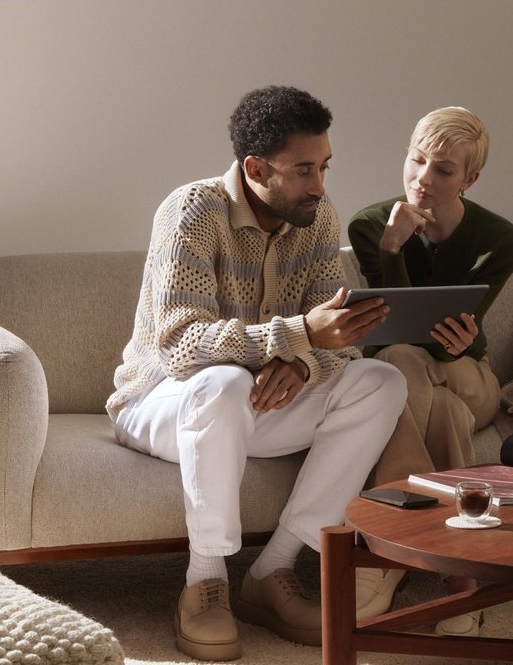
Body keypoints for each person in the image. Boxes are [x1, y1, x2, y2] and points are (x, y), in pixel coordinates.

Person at [107, 85, 407, 661]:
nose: (319, 185)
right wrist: (299, 336)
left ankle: (272, 571)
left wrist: (303, 360)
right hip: (161, 402)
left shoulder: (317, 219)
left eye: (324, 166)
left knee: (382, 382)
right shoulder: (193, 211)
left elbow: (339, 339)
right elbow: (183, 347)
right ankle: (204, 581)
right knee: (223, 381)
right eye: (303, 170)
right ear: (255, 168)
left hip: (252, 406)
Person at [346, 106, 513, 637]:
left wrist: (453, 342)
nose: (423, 178)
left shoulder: (500, 239)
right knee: (418, 383)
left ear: (470, 179)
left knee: (404, 363)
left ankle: (390, 548)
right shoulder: (371, 226)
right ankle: (460, 573)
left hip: (469, 375)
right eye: (416, 160)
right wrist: (392, 248)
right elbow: (392, 327)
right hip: (416, 380)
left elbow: (449, 344)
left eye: (443, 169)